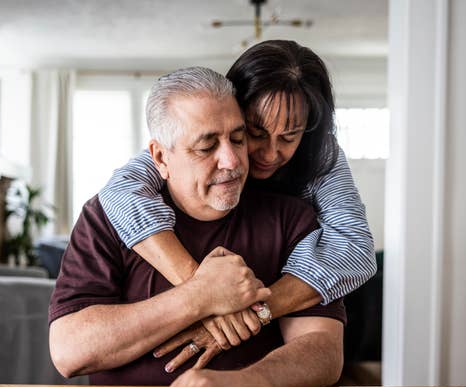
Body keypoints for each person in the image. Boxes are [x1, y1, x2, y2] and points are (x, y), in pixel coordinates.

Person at [49, 67, 345, 387]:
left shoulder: (292, 217)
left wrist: (249, 386)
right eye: (207, 147)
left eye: (239, 138)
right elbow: (69, 351)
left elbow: (324, 351)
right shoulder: (106, 215)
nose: (233, 161)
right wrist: (198, 297)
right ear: (160, 156)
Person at [98, 40, 375, 369]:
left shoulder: (320, 153)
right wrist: (204, 290)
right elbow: (120, 192)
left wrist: (252, 311)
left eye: (289, 137)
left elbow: (355, 245)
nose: (270, 155)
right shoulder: (181, 151)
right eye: (255, 133)